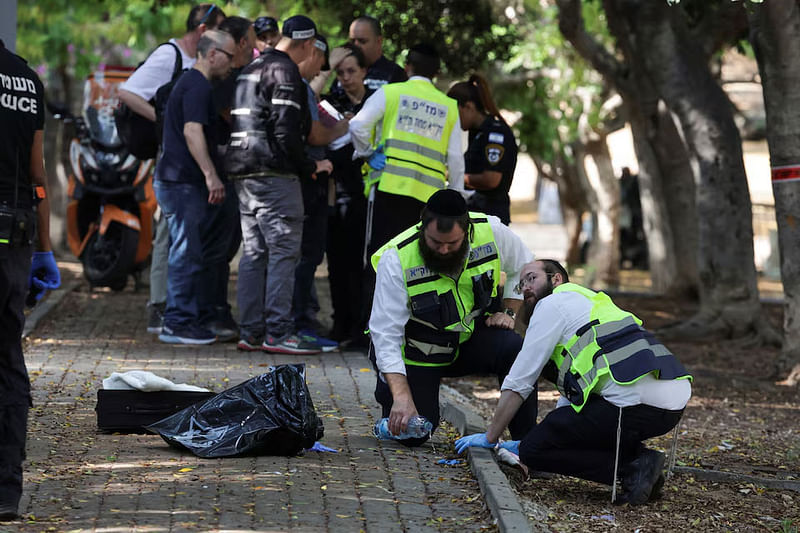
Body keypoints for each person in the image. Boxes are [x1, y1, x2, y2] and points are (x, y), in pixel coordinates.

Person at [455, 259, 693, 505]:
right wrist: (552, 433)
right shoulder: (588, 302)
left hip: (632, 404)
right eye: (521, 283)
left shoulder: (552, 304)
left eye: (532, 278)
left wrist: (490, 438)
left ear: (556, 279)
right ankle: (643, 465)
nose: (525, 286)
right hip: (672, 406)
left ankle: (632, 468)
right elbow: (574, 399)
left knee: (535, 450)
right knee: (552, 432)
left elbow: (520, 379)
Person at [369, 189, 537, 446]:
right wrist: (402, 395)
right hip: (419, 351)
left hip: (468, 339)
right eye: (436, 243)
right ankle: (390, 387)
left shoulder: (490, 230)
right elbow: (385, 334)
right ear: (422, 228)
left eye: (453, 244)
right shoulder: (397, 258)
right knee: (415, 433)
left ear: (467, 230)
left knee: (515, 348)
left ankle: (527, 445)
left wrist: (510, 311)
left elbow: (526, 268)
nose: (445, 250)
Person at [226, 15, 333, 355]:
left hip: (244, 173)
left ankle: (251, 331)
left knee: (254, 254)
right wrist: (310, 165)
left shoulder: (251, 68)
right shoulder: (283, 71)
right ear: (308, 44)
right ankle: (279, 332)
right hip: (274, 175)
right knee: (285, 252)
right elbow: (286, 132)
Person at [118, 3, 225, 335]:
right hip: (175, 162)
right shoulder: (170, 54)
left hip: (183, 160)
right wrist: (166, 123)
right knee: (173, 237)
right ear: (204, 31)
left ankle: (175, 309)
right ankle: (163, 308)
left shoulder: (197, 65)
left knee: (180, 237)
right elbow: (128, 92)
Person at [349, 42, 464, 348]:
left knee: (377, 260)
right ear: (437, 73)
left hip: (389, 189)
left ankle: (369, 337)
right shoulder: (448, 106)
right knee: (419, 265)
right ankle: (410, 336)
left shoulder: (391, 93)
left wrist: (367, 153)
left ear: (407, 67)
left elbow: (358, 125)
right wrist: (457, 201)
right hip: (428, 201)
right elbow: (455, 160)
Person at [0, 39, 60, 521]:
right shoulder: (26, 79)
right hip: (15, 237)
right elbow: (38, 174)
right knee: (7, 361)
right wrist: (43, 248)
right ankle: (6, 492)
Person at [155, 30, 236, 344]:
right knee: (185, 251)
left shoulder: (193, 83)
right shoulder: (198, 85)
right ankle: (177, 322)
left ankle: (184, 318)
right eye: (229, 56)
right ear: (213, 53)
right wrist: (210, 175)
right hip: (182, 183)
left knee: (189, 250)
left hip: (180, 182)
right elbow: (192, 131)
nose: (231, 64)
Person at [195, 15, 255, 342]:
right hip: (220, 173)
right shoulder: (222, 80)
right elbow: (225, 114)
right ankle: (211, 312)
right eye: (253, 38)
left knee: (224, 248)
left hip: (227, 173)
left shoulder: (232, 76)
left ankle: (215, 309)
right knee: (217, 249)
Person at [291, 34, 349, 351]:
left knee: (308, 258)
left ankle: (302, 320)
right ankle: (299, 323)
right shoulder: (300, 87)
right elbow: (312, 131)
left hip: (317, 189)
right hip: (309, 186)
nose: (327, 72)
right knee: (305, 258)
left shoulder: (302, 89)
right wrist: (342, 128)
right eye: (328, 66)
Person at [322, 44, 373, 346]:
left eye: (351, 71)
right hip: (337, 192)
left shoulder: (376, 102)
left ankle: (360, 327)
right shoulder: (331, 103)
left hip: (369, 195)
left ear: (365, 71)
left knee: (361, 266)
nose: (346, 77)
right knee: (337, 263)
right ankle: (340, 323)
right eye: (340, 72)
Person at [447, 74, 518, 225]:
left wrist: (454, 176)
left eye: (455, 113)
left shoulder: (495, 134)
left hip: (490, 215)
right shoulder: (477, 133)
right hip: (476, 211)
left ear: (469, 107)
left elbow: (491, 179)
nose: (452, 119)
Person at [310, 16, 406, 97]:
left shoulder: (394, 73)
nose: (356, 46)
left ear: (379, 41)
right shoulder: (343, 70)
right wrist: (329, 65)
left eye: (362, 41)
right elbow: (311, 97)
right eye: (352, 41)